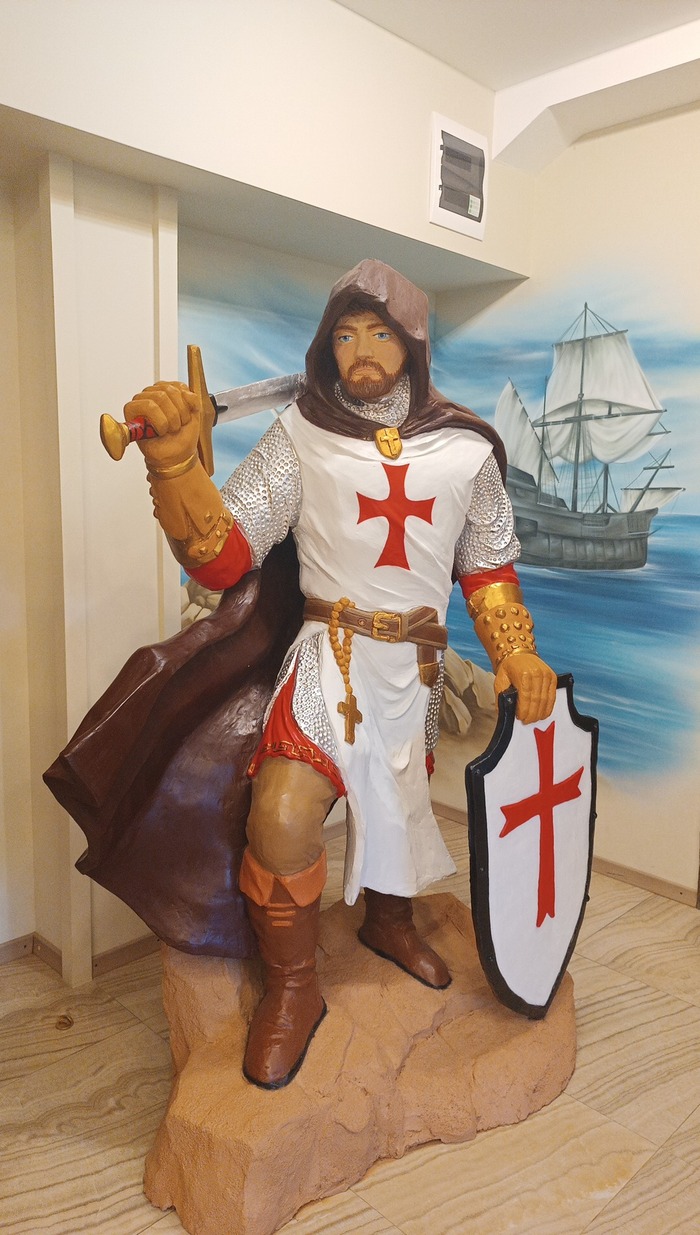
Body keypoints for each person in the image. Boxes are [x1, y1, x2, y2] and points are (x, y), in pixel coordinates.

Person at [127, 259, 557, 1089]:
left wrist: (515, 651)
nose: (361, 349)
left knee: (399, 802)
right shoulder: (299, 434)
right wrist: (176, 468)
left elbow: (488, 569)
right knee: (283, 815)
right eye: (346, 333)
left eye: (380, 332)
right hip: (331, 656)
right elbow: (221, 556)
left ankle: (387, 921)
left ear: (413, 342)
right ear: (328, 344)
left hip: (417, 667)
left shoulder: (468, 450)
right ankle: (294, 986)